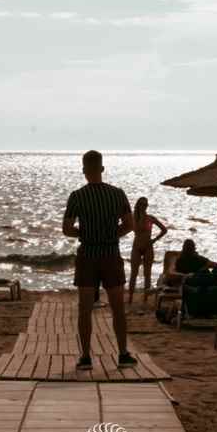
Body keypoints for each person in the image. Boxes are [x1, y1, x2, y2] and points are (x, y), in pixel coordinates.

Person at [63, 150, 136, 370]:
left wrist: (84, 234)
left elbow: (67, 229)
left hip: (88, 255)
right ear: (102, 169)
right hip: (111, 254)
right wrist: (113, 234)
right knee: (117, 308)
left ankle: (85, 357)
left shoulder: (77, 196)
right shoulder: (117, 194)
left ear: (84, 170)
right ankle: (123, 354)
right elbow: (129, 224)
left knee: (85, 309)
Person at [128, 197, 168, 303]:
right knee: (133, 273)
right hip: (136, 246)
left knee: (147, 274)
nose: (144, 206)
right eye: (142, 204)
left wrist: (154, 240)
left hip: (148, 247)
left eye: (145, 205)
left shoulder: (150, 218)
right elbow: (132, 228)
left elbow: (164, 230)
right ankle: (130, 298)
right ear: (138, 205)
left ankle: (145, 299)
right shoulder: (133, 217)